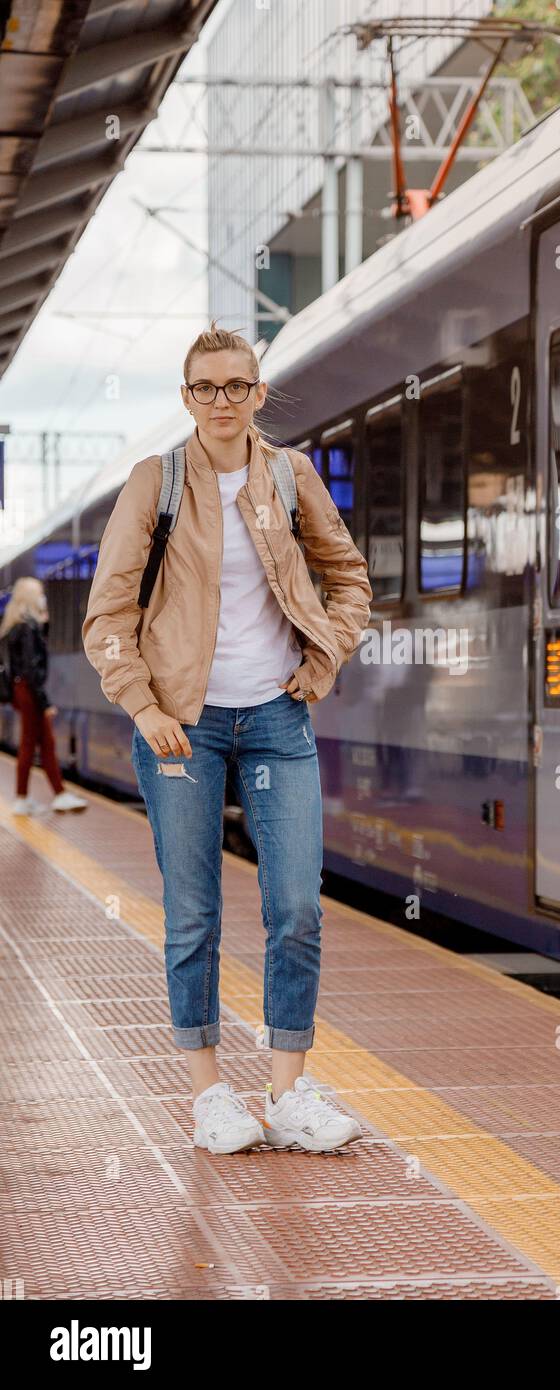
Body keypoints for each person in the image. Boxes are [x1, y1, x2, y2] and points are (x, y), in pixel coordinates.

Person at [81, 321, 373, 1156]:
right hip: (183, 728)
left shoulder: (290, 474)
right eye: (204, 388)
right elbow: (109, 612)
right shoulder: (157, 483)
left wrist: (323, 663)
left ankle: (288, 1091)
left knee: (295, 908)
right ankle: (210, 1091)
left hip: (278, 718)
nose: (221, 402)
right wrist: (143, 707)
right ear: (186, 397)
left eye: (236, 387)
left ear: (258, 394)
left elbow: (347, 574)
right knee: (194, 914)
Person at [0, 576, 88, 815]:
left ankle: (50, 794)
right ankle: (37, 797)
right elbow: (30, 669)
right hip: (29, 691)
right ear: (31, 597)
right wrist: (45, 702)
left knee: (41, 743)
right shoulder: (26, 628)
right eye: (39, 593)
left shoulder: (16, 626)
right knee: (35, 742)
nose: (43, 597)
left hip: (23, 690)